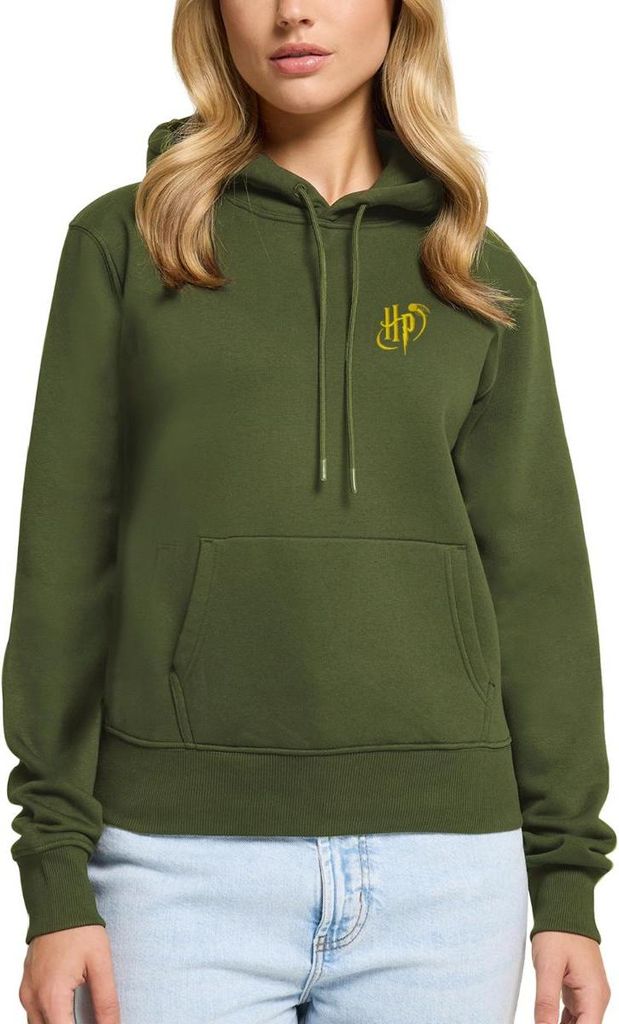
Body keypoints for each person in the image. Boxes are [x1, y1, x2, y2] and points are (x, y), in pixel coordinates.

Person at [2, 1, 615, 1022]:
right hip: (172, 868)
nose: (293, 11)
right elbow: (64, 563)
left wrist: (566, 882)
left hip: (447, 877)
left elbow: (537, 581)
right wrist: (56, 876)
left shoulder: (473, 270)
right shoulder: (130, 241)